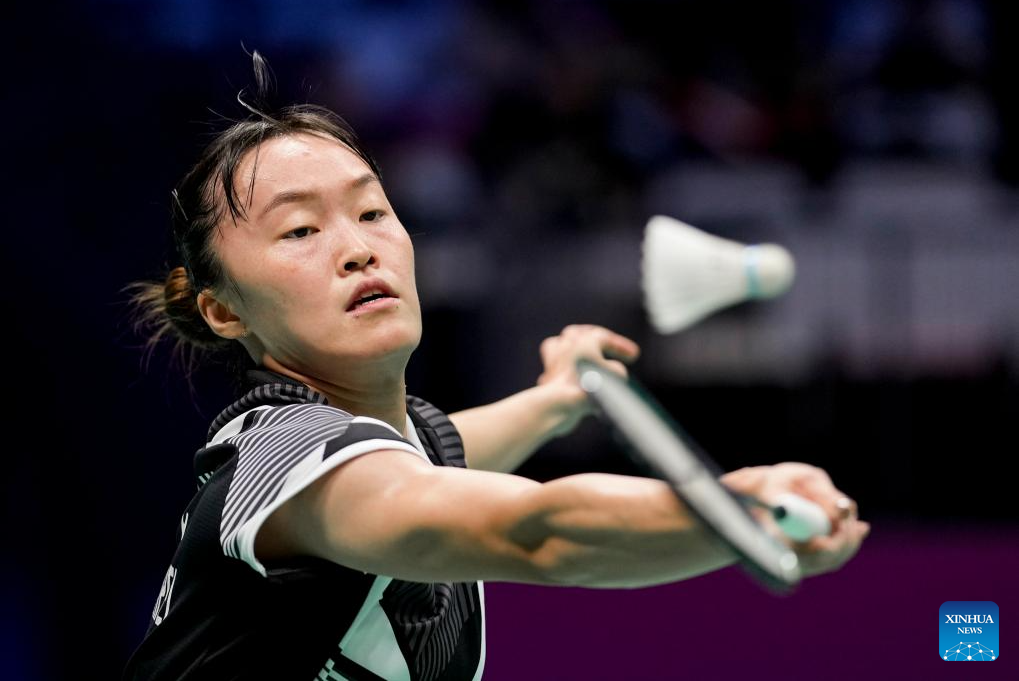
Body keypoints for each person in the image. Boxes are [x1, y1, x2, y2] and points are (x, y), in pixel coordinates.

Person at [123, 55, 869, 681]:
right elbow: (536, 532)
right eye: (299, 230)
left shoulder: (382, 446)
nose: (357, 248)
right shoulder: (281, 456)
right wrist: (731, 504)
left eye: (372, 212)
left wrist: (554, 399)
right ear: (224, 311)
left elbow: (436, 450)